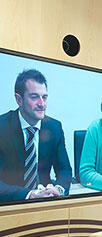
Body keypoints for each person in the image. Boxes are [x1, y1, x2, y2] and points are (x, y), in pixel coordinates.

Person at [0, 69, 72, 201]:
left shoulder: (54, 127)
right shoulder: (2, 127)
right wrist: (30, 195)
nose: (42, 104)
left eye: (44, 97)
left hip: (45, 202)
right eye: (34, 97)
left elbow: (65, 170)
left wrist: (59, 189)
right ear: (19, 99)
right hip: (9, 206)